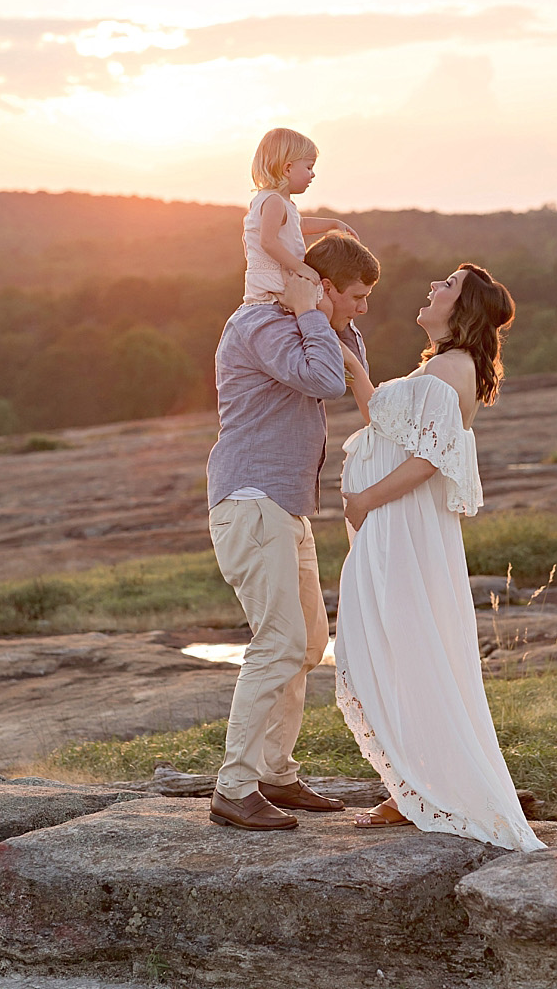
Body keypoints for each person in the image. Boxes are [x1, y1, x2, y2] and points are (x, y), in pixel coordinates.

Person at [333, 264, 545, 851]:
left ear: (464, 308)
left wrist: (365, 501)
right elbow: (386, 422)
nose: (433, 287)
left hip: (402, 524)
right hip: (393, 525)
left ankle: (424, 792)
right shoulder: (442, 367)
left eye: (447, 285)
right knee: (398, 644)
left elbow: (429, 459)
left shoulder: (452, 369)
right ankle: (413, 788)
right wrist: (352, 368)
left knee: (407, 647)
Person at [204, 234, 376, 831]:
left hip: (284, 505)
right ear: (323, 287)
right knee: (277, 642)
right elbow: (329, 381)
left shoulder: (310, 322)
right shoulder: (262, 324)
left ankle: (276, 774)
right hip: (253, 501)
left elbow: (353, 364)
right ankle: (234, 787)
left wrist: (323, 309)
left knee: (306, 644)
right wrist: (309, 309)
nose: (362, 308)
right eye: (355, 295)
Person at [243, 128, 356, 310]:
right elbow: (267, 242)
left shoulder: (280, 201)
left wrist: (333, 224)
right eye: (309, 167)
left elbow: (298, 224)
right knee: (325, 306)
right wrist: (301, 268)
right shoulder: (274, 201)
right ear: (287, 169)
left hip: (283, 274)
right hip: (274, 278)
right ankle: (315, 337)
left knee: (325, 305)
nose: (313, 174)